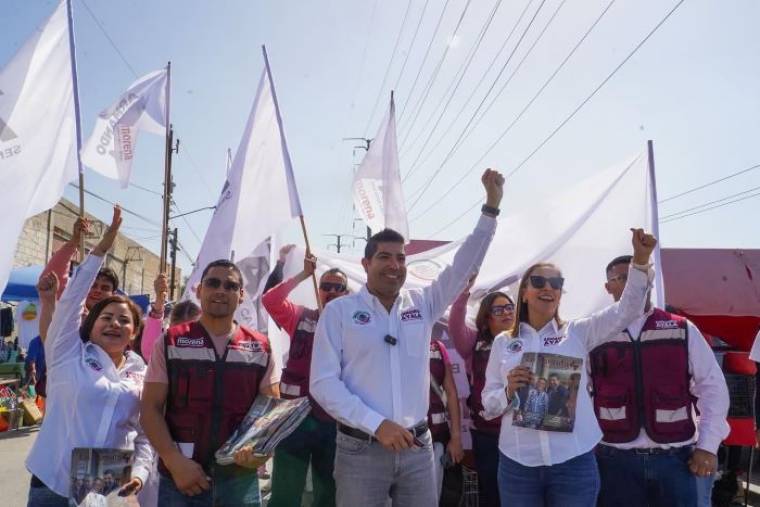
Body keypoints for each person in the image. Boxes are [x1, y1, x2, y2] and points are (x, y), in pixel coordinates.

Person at [310, 168, 503, 507]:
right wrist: (376, 424)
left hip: (417, 449)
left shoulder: (423, 304)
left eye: (401, 258)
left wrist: (490, 209)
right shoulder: (339, 312)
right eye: (384, 257)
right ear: (366, 262)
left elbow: (463, 265)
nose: (394, 265)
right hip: (360, 450)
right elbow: (323, 383)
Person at [481, 228, 657, 507]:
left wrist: (641, 261)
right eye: (538, 281)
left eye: (556, 282)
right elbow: (488, 404)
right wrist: (507, 392)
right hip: (517, 464)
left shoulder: (578, 332)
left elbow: (628, 310)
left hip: (573, 462)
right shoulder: (504, 343)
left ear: (561, 294)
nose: (547, 287)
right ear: (524, 293)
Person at [25, 207, 152, 506]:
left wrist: (140, 471)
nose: (114, 324)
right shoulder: (67, 354)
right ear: (91, 325)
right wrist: (102, 247)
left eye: (124, 320)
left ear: (134, 333)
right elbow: (71, 301)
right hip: (52, 483)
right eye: (106, 317)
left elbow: (146, 430)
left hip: (106, 485)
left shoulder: (140, 371)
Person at [591, 254, 730, 507]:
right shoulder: (595, 332)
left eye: (642, 275)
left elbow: (713, 388)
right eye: (623, 278)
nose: (635, 282)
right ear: (608, 287)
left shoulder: (681, 328)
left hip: (676, 460)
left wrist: (708, 446)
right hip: (614, 462)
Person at [141, 259, 280, 507]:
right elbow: (150, 409)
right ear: (199, 290)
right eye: (213, 283)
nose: (221, 290)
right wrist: (174, 461)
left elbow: (270, 414)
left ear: (241, 295)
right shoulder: (170, 341)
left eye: (230, 286)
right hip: (181, 479)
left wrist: (259, 452)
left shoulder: (260, 346)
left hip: (240, 479)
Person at [261, 247, 348, 507]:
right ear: (318, 288)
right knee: (286, 492)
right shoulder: (300, 316)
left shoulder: (354, 326)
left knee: (327, 492)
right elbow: (270, 301)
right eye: (326, 285)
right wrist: (302, 274)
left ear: (346, 293)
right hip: (293, 420)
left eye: (338, 287)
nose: (331, 291)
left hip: (332, 421)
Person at [448, 284, 515, 507]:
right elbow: (456, 321)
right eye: (498, 310)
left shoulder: (528, 340)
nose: (506, 312)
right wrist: (465, 289)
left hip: (521, 433)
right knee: (492, 494)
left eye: (509, 307)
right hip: (487, 435)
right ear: (486, 319)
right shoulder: (473, 343)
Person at [37, 217, 120, 342]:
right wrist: (74, 241)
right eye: (93, 285)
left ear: (114, 295)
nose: (97, 290)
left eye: (105, 288)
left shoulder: (119, 323)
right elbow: (52, 278)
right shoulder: (71, 312)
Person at [427, 337, 464, 499]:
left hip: (436, 439)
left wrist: (455, 438)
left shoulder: (437, 347)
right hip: (400, 440)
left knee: (435, 497)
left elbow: (451, 392)